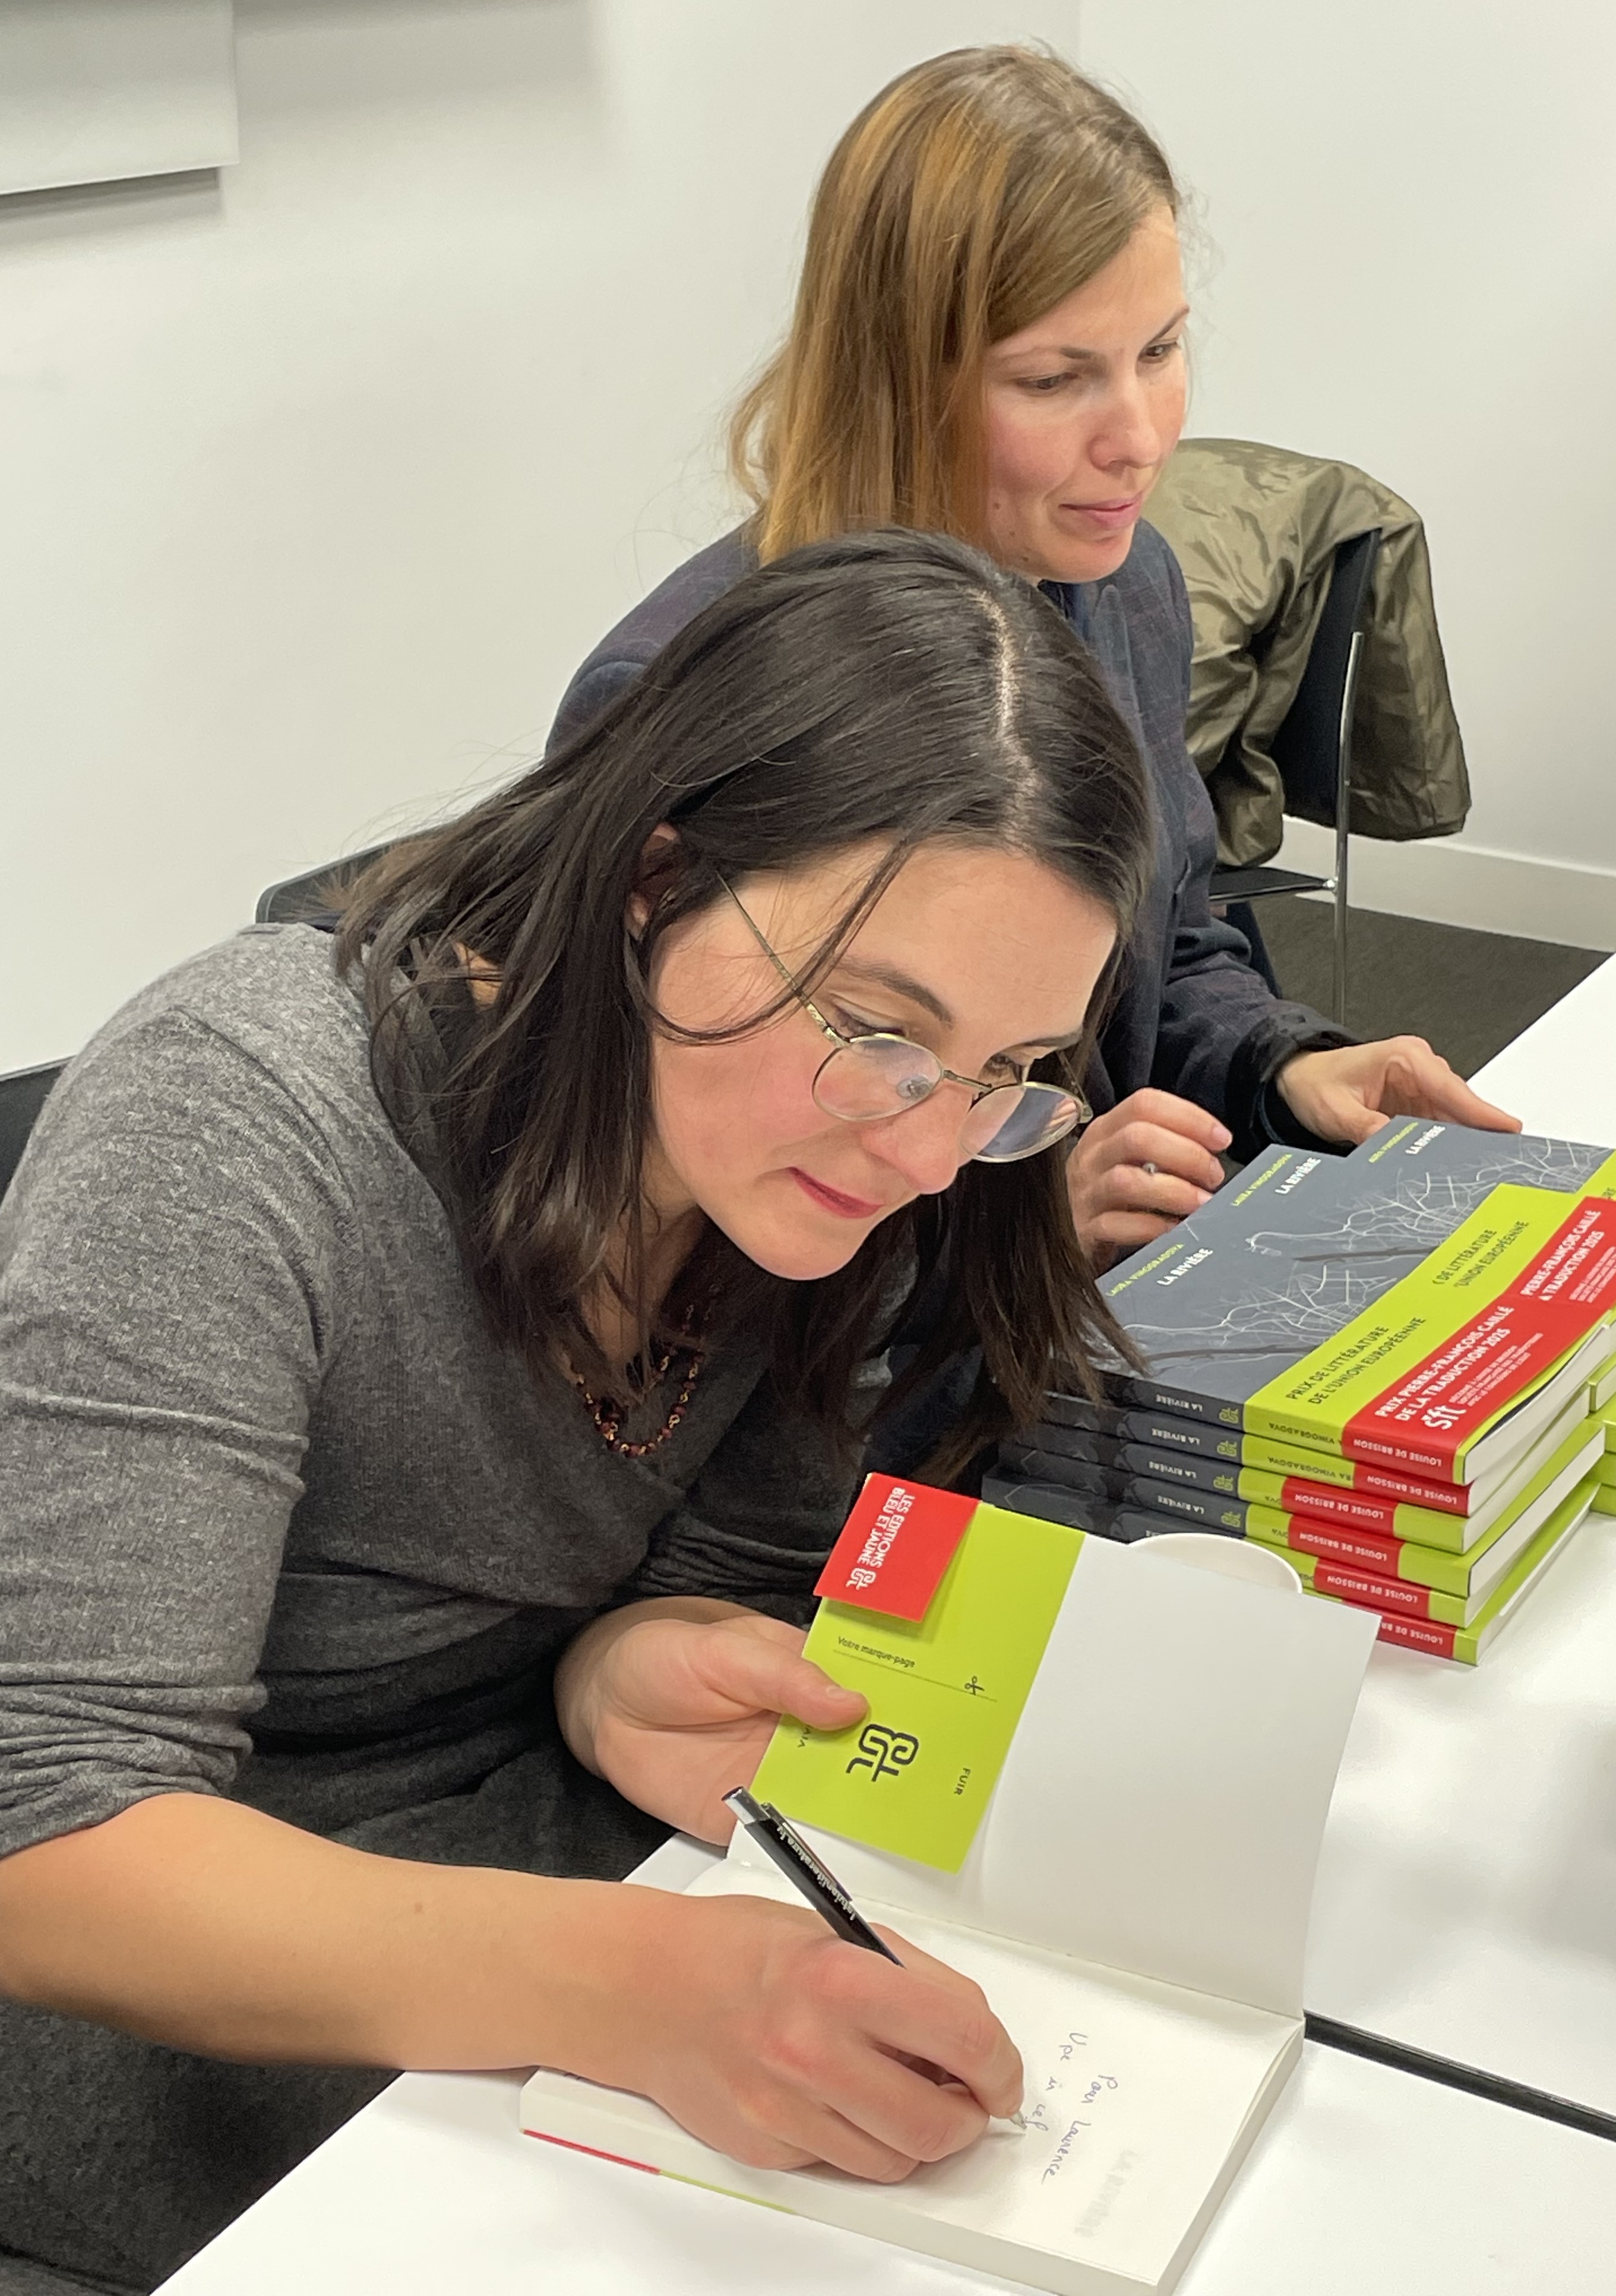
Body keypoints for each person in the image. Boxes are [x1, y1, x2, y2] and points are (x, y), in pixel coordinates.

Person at [0, 533, 1159, 2294]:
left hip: (538, 1858)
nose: (931, 1151)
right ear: (652, 883)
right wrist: (626, 1988)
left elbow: (718, 1563)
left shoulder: (820, 1166)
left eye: (1006, 1075)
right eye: (877, 1028)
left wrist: (621, 1663)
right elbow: (50, 1835)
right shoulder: (239, 1114)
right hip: (178, 1962)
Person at [553, 46, 1517, 1277]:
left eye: (1159, 352)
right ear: (898, 382)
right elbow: (654, 1211)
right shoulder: (680, 692)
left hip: (1105, 1283)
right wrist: (1024, 1228)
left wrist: (1281, 1065)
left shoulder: (1127, 586)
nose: (1142, 440)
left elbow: (1166, 939)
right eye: (1056, 379)